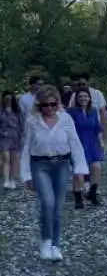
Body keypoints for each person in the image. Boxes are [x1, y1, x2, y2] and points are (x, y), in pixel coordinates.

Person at [21, 85, 89, 261]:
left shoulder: (65, 119)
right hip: (40, 164)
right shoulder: (32, 121)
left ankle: (55, 245)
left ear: (58, 103)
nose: (49, 108)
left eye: (53, 104)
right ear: (39, 105)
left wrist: (80, 170)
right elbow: (26, 148)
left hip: (62, 164)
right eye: (46, 105)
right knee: (48, 202)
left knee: (58, 208)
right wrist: (27, 175)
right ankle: (45, 240)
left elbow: (75, 143)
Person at [67, 87, 105, 207]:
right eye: (80, 97)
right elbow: (67, 129)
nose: (83, 98)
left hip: (92, 143)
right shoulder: (71, 112)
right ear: (76, 99)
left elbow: (97, 128)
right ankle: (78, 199)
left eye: (85, 96)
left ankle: (92, 194)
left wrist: (101, 142)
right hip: (77, 144)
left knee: (96, 167)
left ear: (89, 98)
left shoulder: (93, 111)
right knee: (79, 172)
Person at [0, 90, 24, 189]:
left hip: (15, 138)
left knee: (15, 159)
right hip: (3, 138)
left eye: (10, 99)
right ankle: (6, 180)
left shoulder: (18, 111)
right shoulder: (1, 110)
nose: (8, 101)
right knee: (6, 158)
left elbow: (21, 125)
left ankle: (12, 180)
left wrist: (22, 136)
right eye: (6, 99)